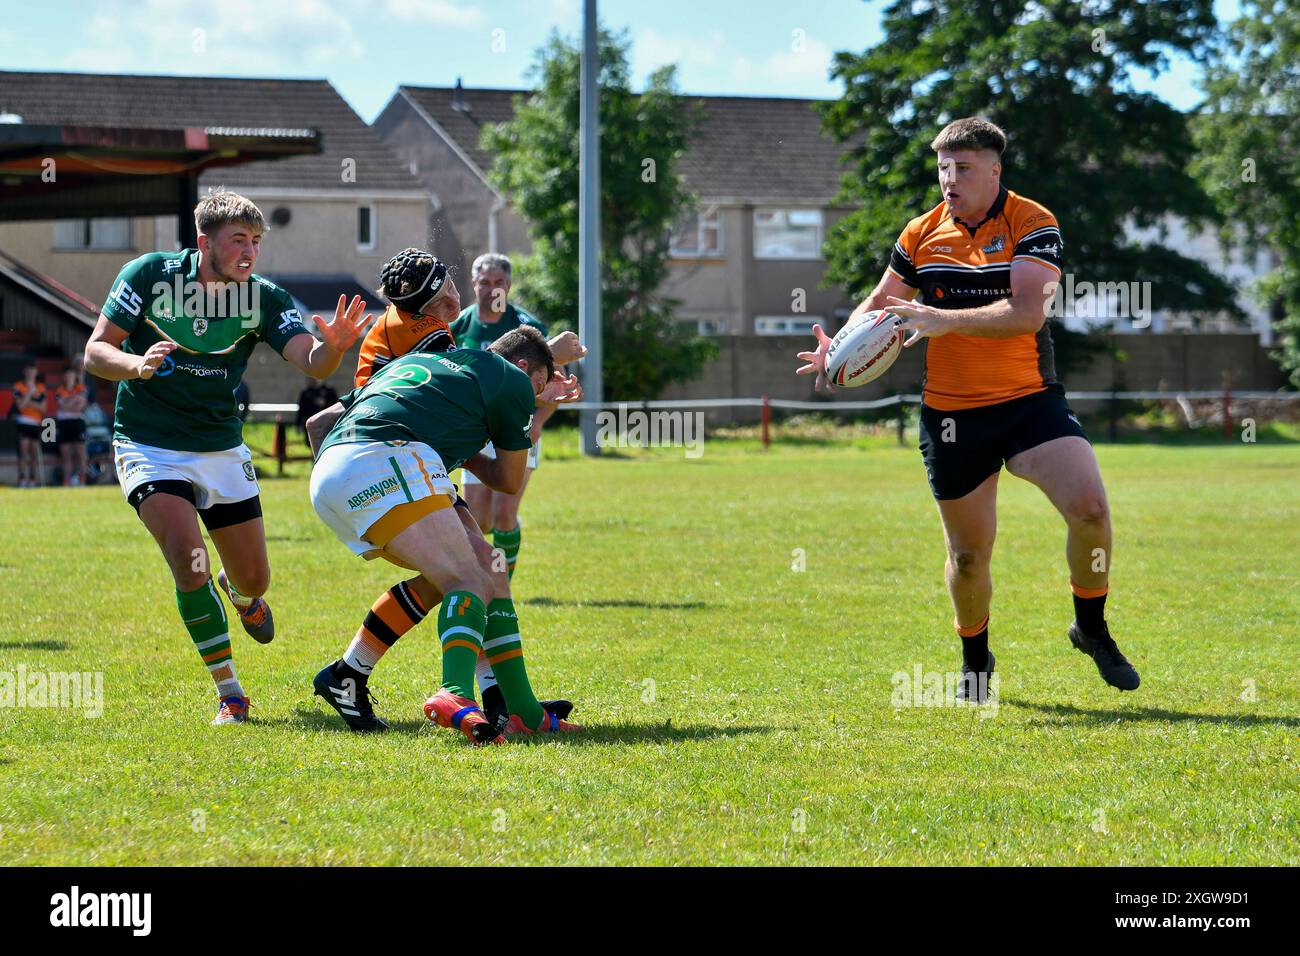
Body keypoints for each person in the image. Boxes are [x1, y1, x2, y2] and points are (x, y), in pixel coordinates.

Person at [796, 117, 1139, 702]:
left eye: (964, 169)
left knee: (1090, 510)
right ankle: (976, 662)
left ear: (994, 170)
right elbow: (883, 302)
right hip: (952, 413)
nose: (950, 180)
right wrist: (843, 343)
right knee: (970, 554)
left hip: (1029, 400)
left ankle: (1092, 626)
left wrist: (938, 319)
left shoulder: (1033, 223)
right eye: (943, 169)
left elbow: (1027, 312)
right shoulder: (921, 233)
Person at [83, 189, 374, 726]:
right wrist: (135, 364)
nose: (249, 253)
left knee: (256, 579)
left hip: (219, 445)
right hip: (148, 443)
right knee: (188, 559)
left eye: (257, 242)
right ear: (204, 242)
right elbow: (96, 350)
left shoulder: (262, 297)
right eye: (238, 240)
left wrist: (333, 346)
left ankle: (240, 595)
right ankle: (230, 693)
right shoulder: (149, 275)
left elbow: (311, 362)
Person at [306, 326, 583, 742]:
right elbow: (507, 480)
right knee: (466, 577)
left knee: (489, 568)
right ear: (522, 366)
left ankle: (519, 708)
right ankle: (453, 693)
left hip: (340, 465)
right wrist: (536, 402)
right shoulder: (512, 380)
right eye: (540, 382)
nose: (537, 392)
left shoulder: (427, 363)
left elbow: (320, 421)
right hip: (389, 457)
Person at [451, 253, 557, 579]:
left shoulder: (528, 327)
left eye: (498, 282)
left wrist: (537, 421)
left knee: (504, 511)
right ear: (474, 285)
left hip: (518, 426)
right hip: (478, 431)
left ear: (508, 285)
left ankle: (500, 587)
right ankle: (493, 562)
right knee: (479, 520)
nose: (491, 289)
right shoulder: (459, 326)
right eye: (485, 282)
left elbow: (553, 381)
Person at [12, 364, 47, 488]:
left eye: (33, 370)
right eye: (28, 370)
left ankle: (32, 479)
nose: (30, 373)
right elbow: (20, 407)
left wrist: (27, 402)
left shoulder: (41, 388)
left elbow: (43, 408)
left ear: (36, 372)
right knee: (23, 452)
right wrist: (30, 393)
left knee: (34, 453)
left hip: (36, 423)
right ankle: (22, 478)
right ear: (24, 372)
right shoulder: (19, 386)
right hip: (23, 422)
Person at [54, 366, 88, 486]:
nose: (69, 377)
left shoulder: (81, 388)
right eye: (67, 375)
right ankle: (66, 481)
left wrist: (67, 401)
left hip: (77, 422)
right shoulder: (59, 390)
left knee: (81, 453)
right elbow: (61, 405)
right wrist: (73, 401)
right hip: (64, 423)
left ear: (75, 377)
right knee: (66, 454)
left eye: (71, 375)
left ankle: (82, 480)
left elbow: (80, 406)